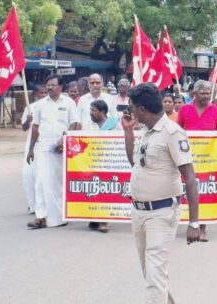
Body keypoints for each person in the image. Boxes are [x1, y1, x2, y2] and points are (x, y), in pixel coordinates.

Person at [121, 83, 200, 303]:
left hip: (162, 212)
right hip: (139, 212)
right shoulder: (146, 132)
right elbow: (133, 162)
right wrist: (128, 132)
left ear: (142, 110)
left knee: (155, 274)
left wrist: (194, 223)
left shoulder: (173, 133)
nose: (131, 111)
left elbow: (191, 179)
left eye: (133, 107)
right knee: (152, 273)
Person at [26, 75, 81, 229]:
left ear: (60, 87)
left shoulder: (69, 103)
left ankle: (59, 217)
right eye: (47, 85)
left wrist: (63, 140)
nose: (49, 88)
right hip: (43, 148)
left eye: (52, 85)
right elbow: (35, 127)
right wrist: (31, 150)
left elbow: (74, 123)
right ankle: (41, 217)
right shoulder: (40, 105)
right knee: (41, 182)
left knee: (57, 183)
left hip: (61, 149)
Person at [176, 79, 217, 242]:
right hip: (188, 159)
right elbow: (178, 131)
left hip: (209, 160)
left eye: (208, 93)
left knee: (205, 191)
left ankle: (203, 228)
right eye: (202, 93)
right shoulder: (183, 110)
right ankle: (190, 222)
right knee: (188, 190)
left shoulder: (216, 111)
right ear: (193, 94)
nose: (206, 96)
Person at [86, 99, 120, 233]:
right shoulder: (89, 124)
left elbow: (121, 141)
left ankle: (103, 220)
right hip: (92, 161)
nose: (91, 113)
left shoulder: (114, 124)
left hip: (109, 162)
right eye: (90, 110)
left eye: (93, 110)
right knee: (93, 190)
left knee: (105, 190)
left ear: (103, 112)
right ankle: (94, 218)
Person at [21, 85, 48, 214]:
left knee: (42, 176)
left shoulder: (50, 107)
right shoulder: (30, 108)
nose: (43, 95)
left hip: (45, 144)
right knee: (29, 175)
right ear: (36, 94)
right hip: (32, 144)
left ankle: (45, 205)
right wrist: (28, 120)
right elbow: (24, 128)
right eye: (41, 93)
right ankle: (33, 205)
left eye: (45, 92)